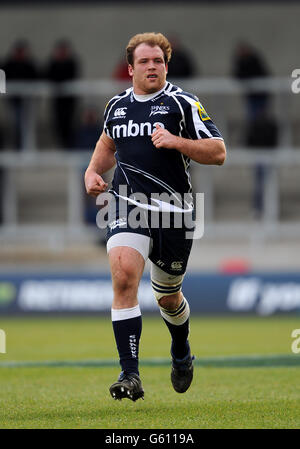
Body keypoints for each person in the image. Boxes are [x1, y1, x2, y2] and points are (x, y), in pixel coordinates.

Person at [84, 32, 226, 402]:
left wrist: (176, 142)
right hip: (126, 204)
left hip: (174, 213)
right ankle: (129, 374)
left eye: (159, 61)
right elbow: (107, 143)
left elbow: (218, 151)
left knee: (168, 298)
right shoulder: (116, 107)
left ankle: (181, 349)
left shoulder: (183, 103)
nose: (152, 67)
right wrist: (92, 171)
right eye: (145, 62)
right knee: (123, 275)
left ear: (166, 66)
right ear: (130, 68)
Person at [44, 40, 80, 149]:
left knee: (69, 122)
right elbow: (49, 77)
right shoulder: (53, 63)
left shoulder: (71, 62)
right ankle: (62, 144)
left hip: (69, 100)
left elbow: (71, 77)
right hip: (58, 99)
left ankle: (69, 144)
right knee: (58, 122)